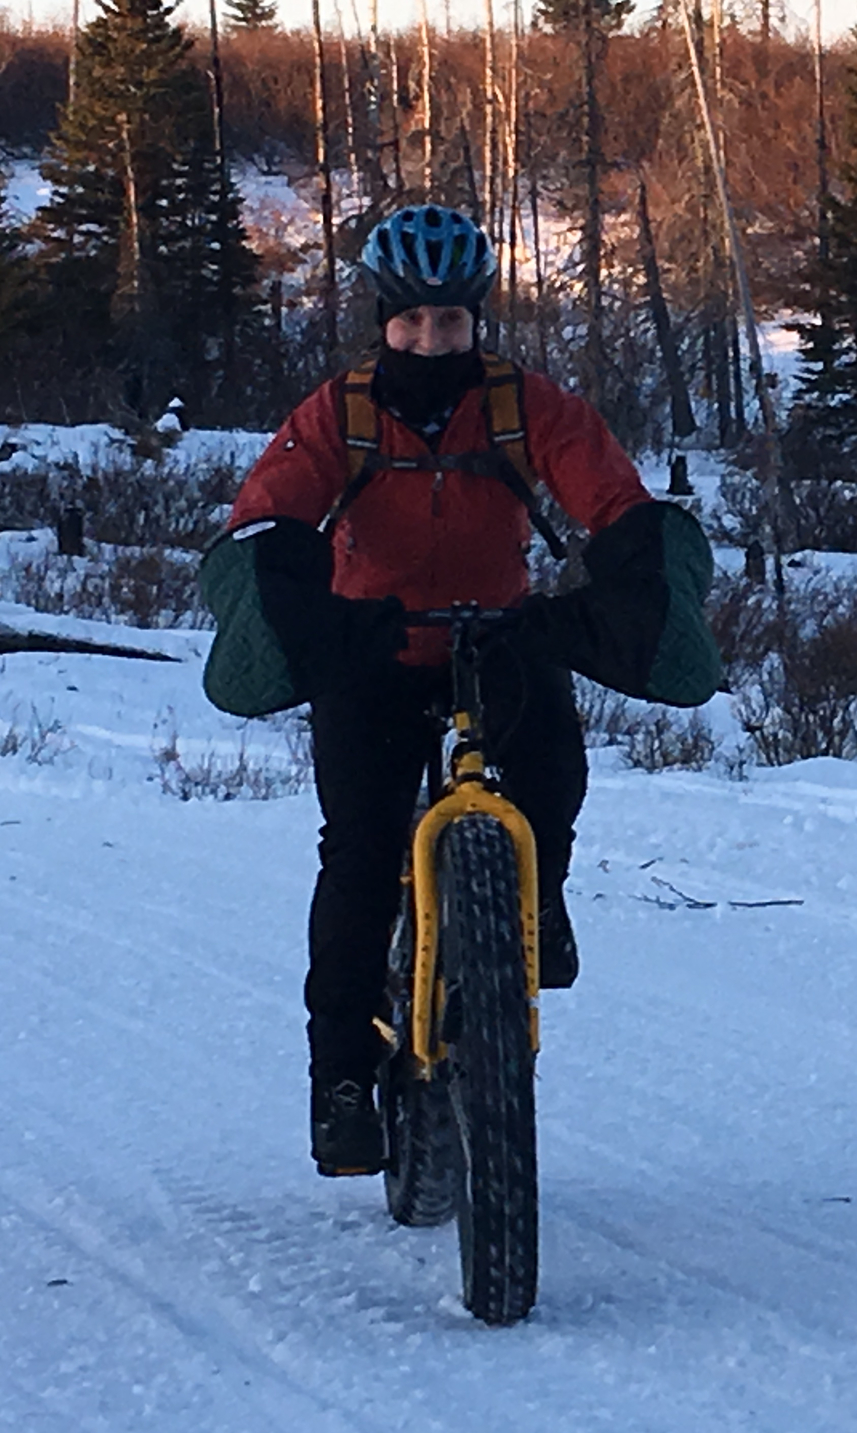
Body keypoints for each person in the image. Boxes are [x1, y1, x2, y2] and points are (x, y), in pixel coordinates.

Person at [204, 204, 720, 1177]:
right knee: (358, 858)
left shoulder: (529, 409)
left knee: (554, 777)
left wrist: (624, 578)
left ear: (476, 320)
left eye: (450, 322)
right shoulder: (340, 414)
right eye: (411, 322)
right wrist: (307, 610)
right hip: (376, 651)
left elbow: (612, 500)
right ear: (380, 320)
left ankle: (540, 903)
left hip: (498, 636)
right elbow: (268, 516)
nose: (431, 340)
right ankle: (344, 1081)